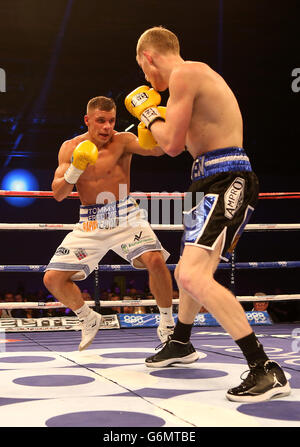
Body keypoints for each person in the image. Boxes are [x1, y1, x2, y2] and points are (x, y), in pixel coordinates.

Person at [125, 26, 291, 403]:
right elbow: (177, 141)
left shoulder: (186, 73)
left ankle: (264, 368)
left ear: (149, 57)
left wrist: (148, 112)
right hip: (206, 181)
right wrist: (153, 119)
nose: (146, 78)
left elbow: (169, 144)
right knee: (189, 272)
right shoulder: (189, 83)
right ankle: (181, 342)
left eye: (143, 68)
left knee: (190, 273)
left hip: (226, 178)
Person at [43, 95, 175, 351]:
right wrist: (74, 170)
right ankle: (88, 318)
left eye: (111, 121)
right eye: (100, 121)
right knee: (53, 279)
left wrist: (151, 118)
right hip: (90, 221)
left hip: (125, 214)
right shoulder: (70, 147)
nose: (106, 127)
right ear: (87, 120)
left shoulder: (123, 141)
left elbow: (160, 150)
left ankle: (168, 325)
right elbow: (58, 194)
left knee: (156, 260)